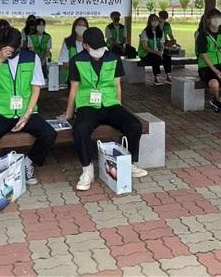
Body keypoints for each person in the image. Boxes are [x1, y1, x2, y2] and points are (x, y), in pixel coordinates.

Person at [59, 27, 148, 191]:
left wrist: (119, 107)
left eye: (101, 47)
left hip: (110, 104)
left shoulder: (113, 58)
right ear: (85, 45)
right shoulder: (77, 60)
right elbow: (74, 89)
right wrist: (69, 113)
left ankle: (128, 163)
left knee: (134, 125)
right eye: (94, 48)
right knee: (80, 129)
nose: (99, 51)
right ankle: (87, 170)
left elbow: (117, 85)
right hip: (87, 106)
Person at [0, 27, 57, 184]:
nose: (9, 52)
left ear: (19, 45)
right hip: (0, 112)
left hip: (25, 112)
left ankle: (28, 162)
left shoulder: (31, 57)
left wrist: (27, 114)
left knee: (49, 134)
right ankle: (3, 169)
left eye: (12, 49)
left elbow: (36, 88)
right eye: (5, 48)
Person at [137, 13, 172, 85]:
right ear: (149, 22)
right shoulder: (145, 32)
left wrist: (161, 52)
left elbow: (162, 44)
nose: (155, 22)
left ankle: (168, 76)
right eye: (153, 20)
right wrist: (157, 53)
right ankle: (156, 77)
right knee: (156, 58)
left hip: (157, 52)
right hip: (145, 53)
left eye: (156, 20)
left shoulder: (160, 32)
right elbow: (145, 47)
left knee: (167, 57)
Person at [59, 17, 89, 84]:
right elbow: (64, 62)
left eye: (84, 25)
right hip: (70, 79)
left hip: (87, 79)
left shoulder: (90, 42)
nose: (81, 27)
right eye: (79, 25)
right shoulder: (68, 42)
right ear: (74, 27)